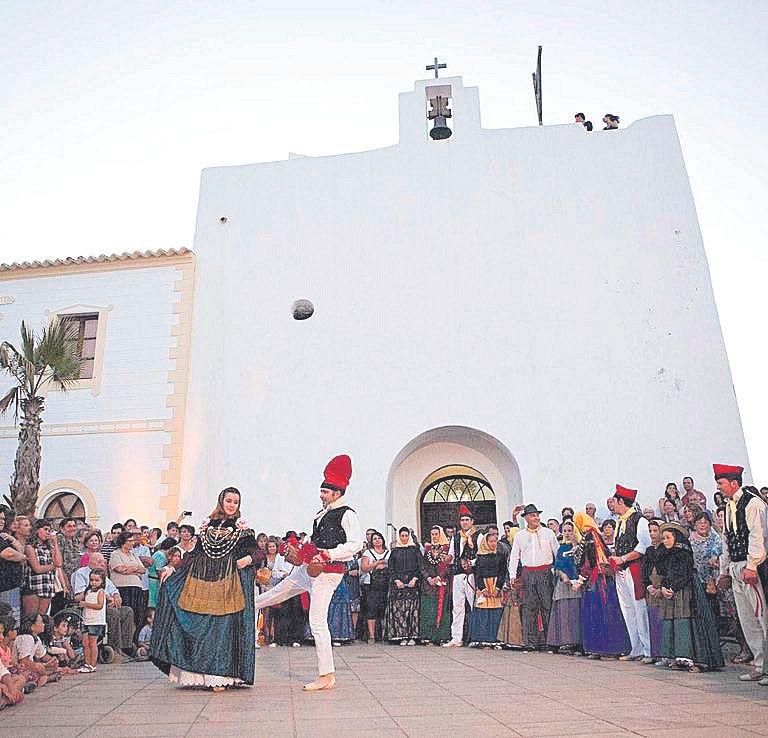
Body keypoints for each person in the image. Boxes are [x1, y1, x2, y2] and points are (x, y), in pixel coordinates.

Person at [252, 455, 363, 691]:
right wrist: (294, 550)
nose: (321, 495)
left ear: (337, 492)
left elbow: (355, 544)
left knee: (317, 621)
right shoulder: (320, 514)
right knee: (274, 594)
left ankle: (326, 675)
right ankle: (243, 606)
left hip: (328, 573)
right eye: (322, 490)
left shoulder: (347, 514)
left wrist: (327, 554)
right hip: (308, 569)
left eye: (325, 491)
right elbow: (312, 544)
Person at [152, 486, 259, 690]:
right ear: (221, 501)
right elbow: (194, 555)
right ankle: (199, 676)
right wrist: (172, 569)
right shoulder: (207, 526)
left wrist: (248, 559)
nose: (232, 505)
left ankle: (219, 677)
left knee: (221, 631)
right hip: (201, 582)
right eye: (229, 501)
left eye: (235, 502)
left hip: (229, 586)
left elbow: (258, 553)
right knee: (200, 627)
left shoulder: (242, 529)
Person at [713, 464, 768, 682]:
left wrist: (752, 566)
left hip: (752, 566)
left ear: (734, 483)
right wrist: (724, 570)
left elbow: (758, 536)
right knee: (747, 619)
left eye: (721, 483)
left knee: (761, 616)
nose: (719, 487)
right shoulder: (728, 507)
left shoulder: (753, 503)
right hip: (736, 566)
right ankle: (759, 663)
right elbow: (727, 540)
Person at [650, 523, 723, 671]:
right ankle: (676, 656)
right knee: (671, 621)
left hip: (685, 591)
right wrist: (664, 587)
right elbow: (664, 572)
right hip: (671, 591)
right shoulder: (666, 554)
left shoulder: (683, 553)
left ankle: (690, 657)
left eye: (668, 537)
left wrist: (671, 588)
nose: (665, 541)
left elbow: (684, 574)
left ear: (676, 538)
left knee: (684, 620)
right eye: (663, 538)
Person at [572, 513, 630, 659]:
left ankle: (606, 649)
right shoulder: (595, 536)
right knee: (603, 613)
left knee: (600, 613)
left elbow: (587, 562)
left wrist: (580, 579)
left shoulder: (590, 538)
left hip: (597, 581)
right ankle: (601, 649)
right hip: (599, 580)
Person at [609, 484, 652, 661]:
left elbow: (643, 546)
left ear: (621, 501)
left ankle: (648, 649)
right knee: (628, 609)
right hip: (621, 569)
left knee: (639, 608)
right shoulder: (621, 521)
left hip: (634, 568)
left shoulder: (639, 520)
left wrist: (623, 558)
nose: (613, 505)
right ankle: (636, 648)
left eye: (614, 501)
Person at [508, 503, 559, 651]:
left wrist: (556, 571)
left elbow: (557, 553)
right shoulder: (520, 535)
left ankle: (551, 642)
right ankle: (531, 642)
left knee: (547, 606)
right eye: (532, 515)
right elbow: (514, 556)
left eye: (537, 515)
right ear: (526, 518)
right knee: (529, 608)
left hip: (545, 572)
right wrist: (512, 575)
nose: (536, 517)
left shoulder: (549, 533)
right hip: (528, 573)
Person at [72, 552, 136, 659]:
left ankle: (126, 647)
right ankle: (115, 648)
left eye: (104, 562)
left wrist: (116, 596)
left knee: (127, 611)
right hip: (93, 607)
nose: (103, 564)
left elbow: (113, 589)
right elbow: (79, 595)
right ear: (91, 562)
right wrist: (105, 597)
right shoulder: (81, 573)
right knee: (113, 613)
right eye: (100, 562)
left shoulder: (103, 575)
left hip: (106, 605)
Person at [443, 505, 480, 648]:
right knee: (457, 607)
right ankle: (456, 638)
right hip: (458, 575)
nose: (464, 522)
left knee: (473, 605)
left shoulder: (478, 535)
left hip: (471, 575)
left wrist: (471, 563)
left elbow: (482, 554)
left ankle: (475, 636)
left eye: (467, 520)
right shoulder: (456, 536)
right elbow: (452, 555)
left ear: (472, 521)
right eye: (462, 520)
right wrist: (446, 558)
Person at [546, 520, 582, 654]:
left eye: (570, 530)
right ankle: (563, 642)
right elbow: (557, 566)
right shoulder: (561, 548)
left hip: (576, 585)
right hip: (563, 584)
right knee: (563, 612)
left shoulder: (579, 548)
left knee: (574, 612)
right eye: (565, 531)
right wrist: (563, 575)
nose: (567, 533)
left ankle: (576, 642)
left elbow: (580, 563)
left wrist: (575, 544)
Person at [383, 527, 422, 645]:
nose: (404, 538)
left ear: (409, 536)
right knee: (400, 610)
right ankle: (402, 636)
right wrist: (396, 580)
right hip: (398, 585)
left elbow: (420, 566)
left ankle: (412, 637)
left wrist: (415, 579)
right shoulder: (395, 551)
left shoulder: (415, 550)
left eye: (406, 536)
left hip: (412, 584)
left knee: (412, 610)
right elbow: (391, 568)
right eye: (402, 536)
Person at [469, 531, 506, 647]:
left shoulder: (500, 556)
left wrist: (498, 588)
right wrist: (483, 589)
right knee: (482, 612)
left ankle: (495, 638)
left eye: (495, 541)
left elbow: (502, 572)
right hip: (483, 586)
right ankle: (481, 638)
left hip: (495, 586)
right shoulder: (479, 557)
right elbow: (478, 574)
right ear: (486, 542)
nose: (493, 543)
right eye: (491, 541)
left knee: (496, 611)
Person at [419, 525, 453, 645]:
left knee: (443, 611)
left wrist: (439, 577)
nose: (434, 536)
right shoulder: (427, 549)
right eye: (432, 534)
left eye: (436, 534)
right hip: (428, 585)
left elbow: (450, 565)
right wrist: (429, 578)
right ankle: (428, 636)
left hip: (442, 584)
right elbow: (422, 566)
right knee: (429, 610)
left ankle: (442, 636)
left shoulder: (447, 548)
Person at [109, 531, 146, 638]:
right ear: (123, 542)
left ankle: (133, 639)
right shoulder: (116, 554)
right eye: (129, 541)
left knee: (136, 615)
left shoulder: (133, 555)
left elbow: (143, 570)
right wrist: (135, 569)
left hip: (136, 589)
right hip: (123, 589)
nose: (132, 543)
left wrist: (129, 569)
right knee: (125, 614)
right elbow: (120, 569)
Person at [23, 519, 62, 617]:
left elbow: (59, 563)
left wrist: (55, 543)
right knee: (31, 618)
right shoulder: (30, 547)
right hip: (34, 587)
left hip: (47, 586)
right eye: (45, 529)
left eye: (49, 530)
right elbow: (37, 568)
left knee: (42, 618)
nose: (47, 533)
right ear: (37, 530)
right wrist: (53, 566)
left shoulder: (49, 547)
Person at [641, 519, 664, 662]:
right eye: (650, 531)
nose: (652, 534)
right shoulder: (649, 550)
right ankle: (654, 653)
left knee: (662, 621)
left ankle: (664, 653)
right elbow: (645, 571)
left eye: (655, 530)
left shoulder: (665, 549)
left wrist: (661, 587)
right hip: (651, 591)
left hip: (662, 590)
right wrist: (648, 585)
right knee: (653, 620)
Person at [360, 531, 389, 644]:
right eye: (375, 539)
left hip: (384, 583)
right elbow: (364, 567)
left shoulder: (388, 552)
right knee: (371, 609)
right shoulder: (368, 552)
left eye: (379, 538)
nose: (377, 540)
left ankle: (382, 634)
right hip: (371, 584)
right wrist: (376, 564)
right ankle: (371, 635)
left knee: (382, 608)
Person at [77, 569, 106, 673]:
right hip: (86, 620)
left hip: (96, 621)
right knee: (85, 643)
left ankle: (93, 665)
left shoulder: (101, 592)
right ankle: (87, 663)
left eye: (96, 580)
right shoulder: (88, 591)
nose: (93, 582)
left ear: (102, 581)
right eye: (91, 580)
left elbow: (100, 605)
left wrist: (86, 604)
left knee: (92, 643)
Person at [52, 517, 80, 615]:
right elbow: (59, 563)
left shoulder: (75, 540)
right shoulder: (60, 539)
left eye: (74, 526)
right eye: (69, 526)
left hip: (74, 578)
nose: (72, 528)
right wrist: (65, 582)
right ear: (62, 529)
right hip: (63, 579)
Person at [0, 519, 25, 623]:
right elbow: (9, 554)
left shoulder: (7, 539)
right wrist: (23, 557)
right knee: (8, 621)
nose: (2, 521)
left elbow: (21, 549)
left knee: (13, 621)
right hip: (5, 586)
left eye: (3, 519)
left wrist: (12, 539)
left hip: (13, 585)